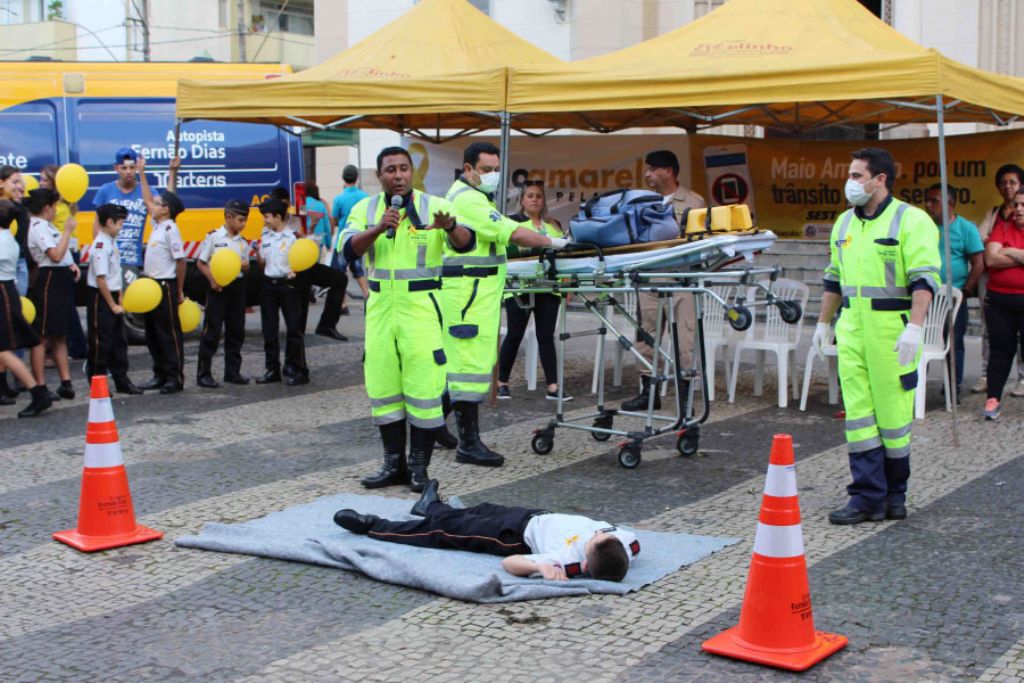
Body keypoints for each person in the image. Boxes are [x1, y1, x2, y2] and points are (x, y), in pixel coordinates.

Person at [814, 147, 940, 525]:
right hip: (852, 330)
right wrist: (822, 324)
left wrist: (915, 328)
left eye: (856, 175)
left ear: (879, 179)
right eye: (850, 175)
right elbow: (833, 279)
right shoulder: (844, 224)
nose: (850, 183)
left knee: (893, 420)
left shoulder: (911, 221)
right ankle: (867, 498)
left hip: (892, 334)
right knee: (860, 419)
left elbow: (924, 281)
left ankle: (894, 495)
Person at [339, 146, 475, 492]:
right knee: (384, 387)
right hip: (381, 308)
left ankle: (419, 467)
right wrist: (378, 228)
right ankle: (392, 463)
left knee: (424, 389)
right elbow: (347, 250)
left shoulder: (434, 205)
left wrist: (451, 227)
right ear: (378, 175)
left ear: (412, 171)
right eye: (389, 170)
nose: (397, 175)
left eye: (403, 168)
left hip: (421, 309)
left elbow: (465, 243)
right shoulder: (364, 208)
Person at [443, 142, 569, 467]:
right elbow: (509, 232)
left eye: (496, 170)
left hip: (475, 293)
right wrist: (554, 242)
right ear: (468, 169)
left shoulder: (473, 196)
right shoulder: (468, 199)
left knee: (463, 366)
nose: (493, 176)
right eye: (486, 170)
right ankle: (468, 443)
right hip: (467, 294)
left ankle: (430, 428)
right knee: (468, 368)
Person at [333, 480, 637, 582]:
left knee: (448, 532)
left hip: (511, 536)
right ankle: (430, 507)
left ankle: (373, 525)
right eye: (602, 534)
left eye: (595, 539)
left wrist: (543, 567)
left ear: (586, 562)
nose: (597, 532)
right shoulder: (625, 543)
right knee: (477, 510)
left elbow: (509, 564)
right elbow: (628, 545)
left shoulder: (569, 563)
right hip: (531, 516)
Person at [621, 149, 705, 412]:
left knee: (685, 342)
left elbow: (701, 242)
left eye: (652, 170)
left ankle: (686, 398)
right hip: (649, 277)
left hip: (682, 280)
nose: (647, 175)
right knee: (646, 338)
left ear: (668, 171)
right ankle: (649, 393)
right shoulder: (642, 202)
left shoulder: (693, 201)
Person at [497, 180, 571, 401]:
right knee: (515, 334)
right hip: (520, 286)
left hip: (548, 287)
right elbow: (508, 251)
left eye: (539, 196)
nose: (535, 199)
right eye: (530, 196)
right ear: (521, 200)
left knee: (546, 336)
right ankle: (502, 382)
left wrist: (566, 281)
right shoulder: (512, 224)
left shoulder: (553, 226)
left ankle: (553, 386)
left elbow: (563, 256)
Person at [922, 183, 983, 402]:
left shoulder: (966, 228)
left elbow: (978, 262)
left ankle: (952, 388)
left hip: (953, 298)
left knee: (953, 343)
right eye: (927, 201)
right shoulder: (923, 227)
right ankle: (917, 386)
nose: (929, 206)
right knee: (921, 341)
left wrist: (966, 290)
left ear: (951, 203)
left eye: (934, 201)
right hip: (925, 295)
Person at [269, 186, 348, 342]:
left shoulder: (294, 218)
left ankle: (327, 325)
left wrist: (312, 227)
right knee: (299, 319)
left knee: (339, 279)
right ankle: (294, 357)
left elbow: (302, 239)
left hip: (305, 266)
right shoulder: (272, 223)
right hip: (289, 270)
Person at [137, 156, 187, 395]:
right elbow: (148, 197)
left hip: (165, 285)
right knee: (153, 333)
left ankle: (174, 376)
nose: (152, 205)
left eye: (158, 203)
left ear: (166, 209)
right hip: (150, 285)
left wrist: (178, 289)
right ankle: (159, 373)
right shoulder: (157, 225)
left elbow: (181, 261)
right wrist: (142, 173)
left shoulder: (170, 229)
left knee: (168, 334)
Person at [0, 199, 53, 417]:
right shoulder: (8, 237)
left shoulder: (3, 241)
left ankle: (38, 392)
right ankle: (4, 387)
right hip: (5, 291)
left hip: (2, 293)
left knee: (3, 349)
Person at [975, 163, 1024, 397]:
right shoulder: (994, 213)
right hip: (993, 282)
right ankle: (987, 375)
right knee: (990, 331)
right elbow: (986, 248)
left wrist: (1004, 249)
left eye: (1012, 182)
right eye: (1003, 182)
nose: (1008, 187)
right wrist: (1018, 254)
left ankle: (1022, 378)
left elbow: (994, 251)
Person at [26, 188, 79, 400]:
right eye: (54, 206)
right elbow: (55, 255)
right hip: (49, 280)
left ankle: (66, 382)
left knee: (60, 333)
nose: (57, 210)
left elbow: (61, 254)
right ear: (47, 207)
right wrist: (67, 231)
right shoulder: (38, 227)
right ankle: (40, 384)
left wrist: (71, 264)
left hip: (60, 278)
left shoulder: (47, 226)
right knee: (43, 335)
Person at [195, 199, 252, 388]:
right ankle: (204, 373)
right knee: (212, 331)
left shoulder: (243, 242)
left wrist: (245, 266)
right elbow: (201, 262)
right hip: (217, 289)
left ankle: (232, 371)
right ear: (228, 217)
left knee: (236, 330)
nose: (243, 225)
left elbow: (245, 267)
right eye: (241, 220)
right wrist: (212, 280)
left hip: (237, 287)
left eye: (245, 221)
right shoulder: (214, 237)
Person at [85, 203, 141, 394]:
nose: (121, 228)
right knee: (102, 343)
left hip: (113, 295)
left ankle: (121, 380)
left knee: (119, 341)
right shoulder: (100, 246)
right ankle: (98, 383)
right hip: (101, 298)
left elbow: (114, 276)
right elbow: (101, 280)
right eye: (120, 224)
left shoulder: (110, 241)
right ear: (109, 222)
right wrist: (112, 305)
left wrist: (120, 299)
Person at [91, 148, 178, 268]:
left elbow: (168, 204)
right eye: (124, 168)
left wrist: (172, 171)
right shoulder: (105, 191)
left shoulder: (147, 191)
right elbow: (97, 225)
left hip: (133, 261)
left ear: (136, 168)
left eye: (132, 168)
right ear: (116, 168)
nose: (128, 172)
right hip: (110, 259)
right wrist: (97, 255)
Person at [256, 198, 308, 386]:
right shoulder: (266, 235)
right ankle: (272, 369)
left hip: (288, 286)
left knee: (294, 329)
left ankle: (298, 369)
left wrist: (297, 272)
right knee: (269, 330)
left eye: (267, 217)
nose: (265, 220)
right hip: (269, 285)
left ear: (278, 217)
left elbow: (304, 259)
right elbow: (263, 264)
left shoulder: (294, 237)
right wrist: (258, 255)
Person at [39, 164, 87, 361]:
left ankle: (77, 346)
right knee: (67, 304)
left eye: (43, 179)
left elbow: (57, 236)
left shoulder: (56, 209)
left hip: (65, 256)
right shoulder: (62, 204)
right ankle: (72, 345)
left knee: (66, 305)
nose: (40, 182)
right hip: (67, 254)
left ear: (53, 182)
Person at [0, 167, 31, 400]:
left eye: (20, 181)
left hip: (15, 264)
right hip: (6, 265)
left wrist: (18, 203)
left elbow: (22, 236)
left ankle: (18, 379)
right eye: (14, 182)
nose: (19, 186)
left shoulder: (18, 209)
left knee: (12, 324)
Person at [330, 164, 370, 305]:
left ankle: (343, 303)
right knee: (358, 270)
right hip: (360, 238)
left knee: (339, 273)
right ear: (357, 177)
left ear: (343, 178)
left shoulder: (339, 199)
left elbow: (334, 220)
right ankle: (367, 294)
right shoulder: (365, 197)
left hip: (343, 239)